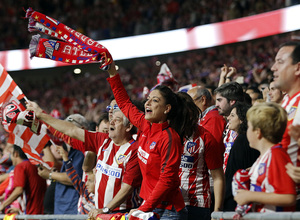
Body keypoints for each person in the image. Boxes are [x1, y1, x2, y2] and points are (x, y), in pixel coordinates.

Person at [106, 61, 200, 220]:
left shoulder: (170, 138)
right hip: (149, 206)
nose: (147, 103)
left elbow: (167, 179)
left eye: (155, 100)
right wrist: (112, 72)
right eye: (148, 99)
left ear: (167, 109)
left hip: (168, 211)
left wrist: (143, 208)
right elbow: (124, 103)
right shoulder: (144, 124)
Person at [26, 101, 142, 217]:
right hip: (100, 213)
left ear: (129, 126)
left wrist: (106, 209)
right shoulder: (102, 140)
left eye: (117, 120)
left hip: (121, 214)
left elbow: (127, 188)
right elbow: (70, 130)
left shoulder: (134, 149)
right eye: (111, 118)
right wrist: (41, 115)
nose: (111, 121)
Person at [234, 102, 296, 212]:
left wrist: (250, 196)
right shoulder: (265, 155)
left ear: (258, 132)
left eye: (249, 127)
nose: (246, 131)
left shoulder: (276, 154)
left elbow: (289, 197)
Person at [178, 92, 225, 220]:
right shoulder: (166, 136)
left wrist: (217, 212)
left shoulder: (206, 138)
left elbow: (218, 177)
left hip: (196, 205)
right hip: (169, 204)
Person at [271, 41, 300, 208]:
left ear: (298, 68)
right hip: (278, 199)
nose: (273, 67)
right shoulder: (286, 102)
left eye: (280, 62)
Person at [223, 102, 259, 211]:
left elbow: (234, 173)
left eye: (233, 115)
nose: (228, 118)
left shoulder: (242, 141)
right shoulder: (244, 139)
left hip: (235, 200)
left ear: (242, 119)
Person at [0, 145, 47, 214]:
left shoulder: (21, 167)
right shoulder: (35, 165)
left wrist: (3, 205)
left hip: (31, 213)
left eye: (11, 154)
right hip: (41, 211)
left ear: (16, 154)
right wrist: (19, 210)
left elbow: (19, 190)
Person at [214, 82, 245, 172]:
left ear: (232, 101)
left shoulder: (245, 125)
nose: (216, 105)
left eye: (219, 100)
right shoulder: (229, 123)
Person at [57, 145, 95, 214]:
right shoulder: (85, 190)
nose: (86, 183)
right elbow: (73, 176)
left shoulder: (101, 201)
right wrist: (65, 158)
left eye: (90, 181)